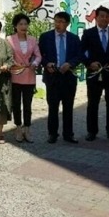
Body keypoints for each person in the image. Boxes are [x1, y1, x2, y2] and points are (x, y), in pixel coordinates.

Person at [81, 6, 109, 142]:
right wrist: (89, 63)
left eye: (107, 16)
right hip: (94, 74)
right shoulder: (88, 33)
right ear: (96, 17)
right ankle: (92, 131)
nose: (104, 19)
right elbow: (81, 52)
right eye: (101, 16)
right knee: (93, 103)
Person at [39, 12, 81, 144]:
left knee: (69, 107)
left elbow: (79, 56)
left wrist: (70, 64)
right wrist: (47, 64)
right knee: (53, 107)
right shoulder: (46, 37)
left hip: (68, 76)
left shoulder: (74, 38)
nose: (58, 24)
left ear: (67, 23)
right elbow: (40, 55)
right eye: (56, 21)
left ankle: (68, 134)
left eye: (61, 21)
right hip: (52, 76)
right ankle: (52, 134)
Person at [6, 13, 42, 143]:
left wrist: (34, 63)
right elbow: (7, 56)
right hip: (16, 76)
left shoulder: (33, 39)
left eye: (26, 24)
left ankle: (27, 129)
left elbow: (38, 55)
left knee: (28, 105)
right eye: (20, 24)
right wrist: (13, 64)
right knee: (16, 104)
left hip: (29, 76)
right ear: (15, 26)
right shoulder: (9, 39)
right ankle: (18, 128)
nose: (23, 26)